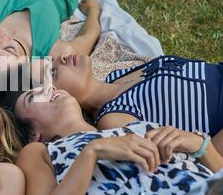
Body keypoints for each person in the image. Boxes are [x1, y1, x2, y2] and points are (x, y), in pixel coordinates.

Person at [13, 86, 223, 195]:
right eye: (34, 96)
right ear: (33, 134)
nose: (50, 87)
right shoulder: (40, 152)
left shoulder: (130, 126)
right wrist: (91, 153)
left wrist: (202, 146)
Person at [31, 54, 223, 154]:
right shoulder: (113, 118)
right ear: (55, 94)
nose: (61, 58)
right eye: (53, 72)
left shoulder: (116, 76)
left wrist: (92, 13)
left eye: (52, 60)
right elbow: (193, 157)